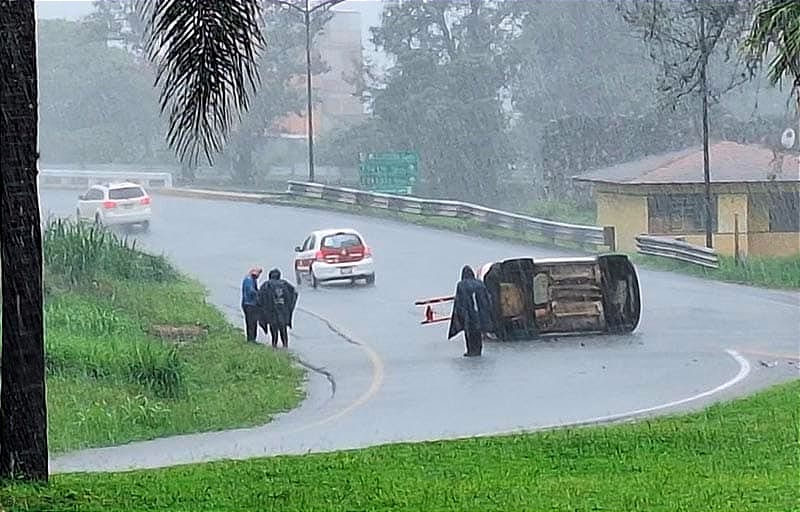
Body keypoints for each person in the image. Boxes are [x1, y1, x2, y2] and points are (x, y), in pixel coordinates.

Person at [448, 265, 493, 357]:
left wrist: (459, 315)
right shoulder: (480, 284)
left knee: (469, 332)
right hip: (480, 313)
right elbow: (487, 299)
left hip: (469, 313)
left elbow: (460, 301)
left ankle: (471, 351)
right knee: (478, 332)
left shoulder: (461, 285)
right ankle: (478, 350)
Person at [258, 268, 298, 348]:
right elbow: (294, 293)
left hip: (271, 313)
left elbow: (260, 298)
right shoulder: (285, 284)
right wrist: (289, 307)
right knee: (283, 330)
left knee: (274, 330)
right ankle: (285, 346)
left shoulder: (266, 285)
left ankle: (274, 345)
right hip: (283, 312)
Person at [241, 267, 262, 342]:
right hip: (249, 304)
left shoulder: (253, 280)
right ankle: (250, 339)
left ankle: (253, 338)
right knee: (250, 322)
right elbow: (251, 291)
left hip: (252, 304)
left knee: (254, 322)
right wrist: (259, 294)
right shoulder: (249, 280)